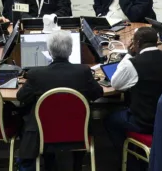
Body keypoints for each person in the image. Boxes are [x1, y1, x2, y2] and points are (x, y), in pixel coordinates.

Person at [16, 31, 104, 165]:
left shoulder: (36, 74)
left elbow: (20, 97)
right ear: (70, 50)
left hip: (44, 132)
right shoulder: (83, 71)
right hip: (78, 130)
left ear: (49, 52)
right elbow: (98, 93)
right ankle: (78, 165)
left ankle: (50, 163)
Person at [104, 27, 162, 159]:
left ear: (136, 44)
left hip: (144, 122)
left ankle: (128, 158)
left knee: (110, 119)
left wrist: (128, 54)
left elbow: (116, 83)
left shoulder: (133, 63)